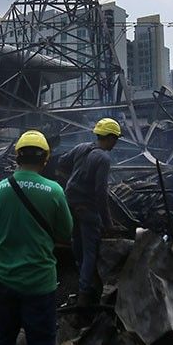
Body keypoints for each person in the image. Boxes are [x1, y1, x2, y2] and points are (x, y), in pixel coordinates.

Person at [0, 130, 73, 345]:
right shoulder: (54, 191)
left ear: (17, 158)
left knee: (4, 337)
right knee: (41, 342)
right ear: (45, 159)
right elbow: (65, 232)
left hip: (4, 280)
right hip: (39, 282)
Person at [59, 117, 121, 307]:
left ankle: (81, 280)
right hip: (87, 209)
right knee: (90, 252)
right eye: (115, 139)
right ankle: (85, 293)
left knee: (77, 244)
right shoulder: (103, 158)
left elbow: (61, 162)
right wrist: (108, 223)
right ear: (109, 137)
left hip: (70, 203)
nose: (115, 143)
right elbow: (100, 193)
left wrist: (72, 180)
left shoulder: (82, 147)